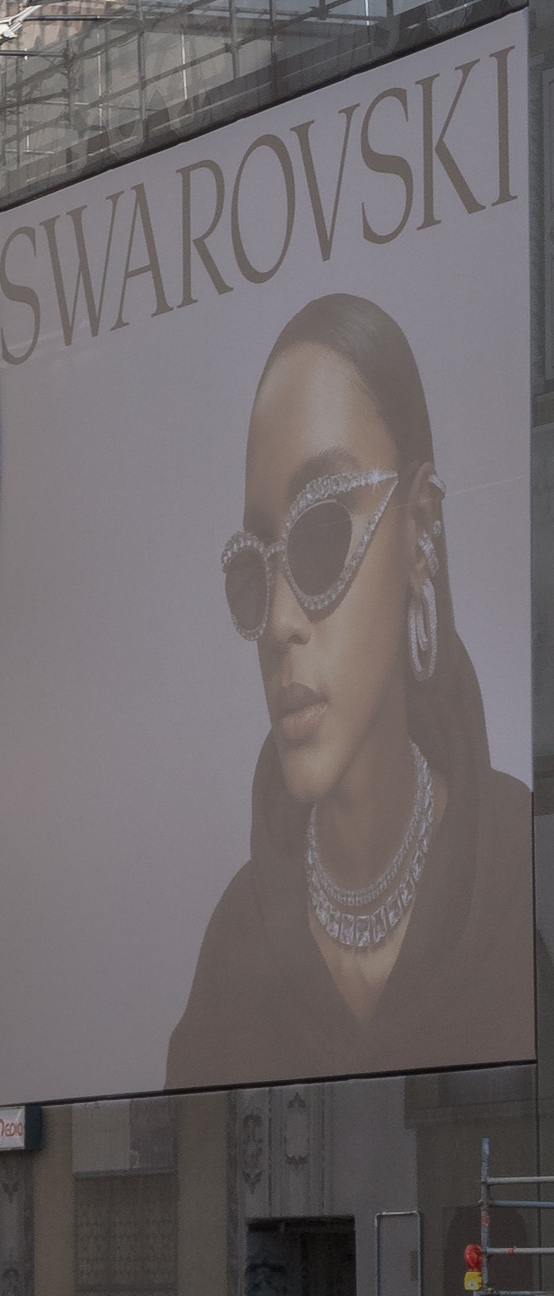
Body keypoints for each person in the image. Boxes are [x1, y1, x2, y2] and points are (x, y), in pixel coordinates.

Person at [165, 286, 536, 1077]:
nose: (278, 623)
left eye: (321, 531)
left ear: (420, 528)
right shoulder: (231, 947)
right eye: (249, 571)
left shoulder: (518, 862)